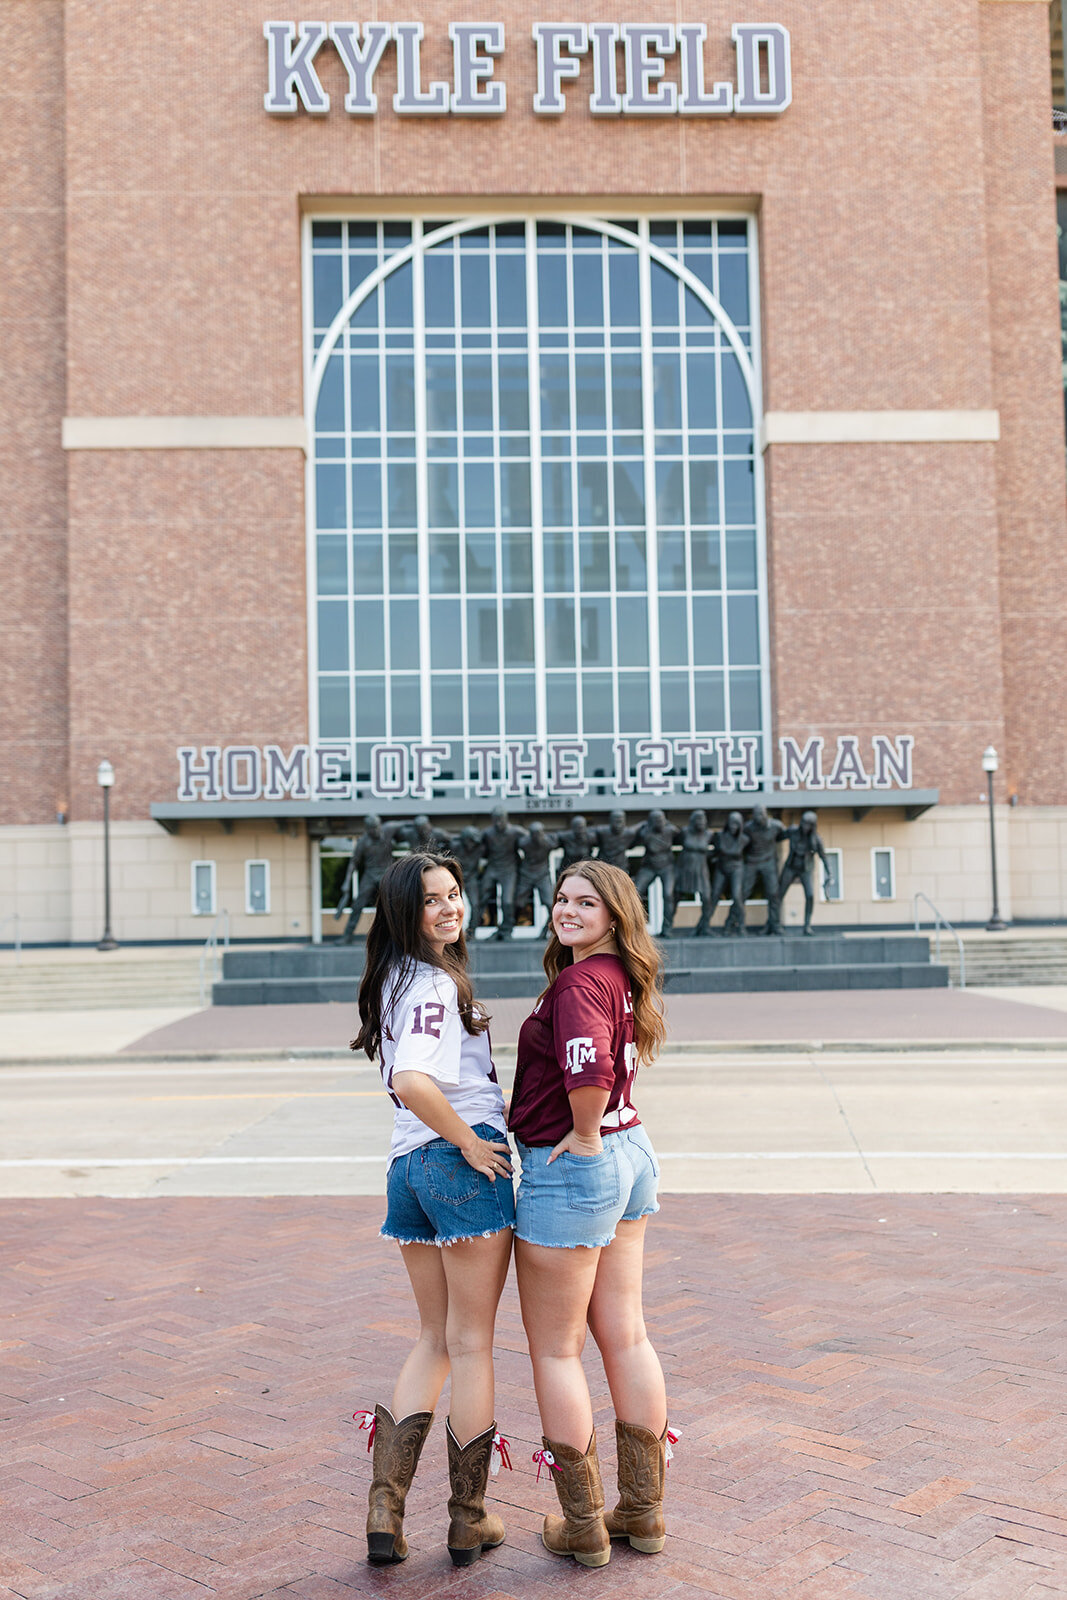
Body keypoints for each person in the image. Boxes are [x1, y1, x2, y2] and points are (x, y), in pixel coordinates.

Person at [350, 852, 515, 1568]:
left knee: (433, 1340)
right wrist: (472, 1146)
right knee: (472, 1343)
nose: (449, 908)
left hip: (405, 1171)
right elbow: (413, 1079)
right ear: (402, 912)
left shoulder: (392, 978)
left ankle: (384, 1508)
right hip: (454, 1158)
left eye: (454, 894)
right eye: (430, 901)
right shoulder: (430, 984)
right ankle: (467, 1518)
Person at [508, 859, 672, 1568]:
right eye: (560, 899)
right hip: (631, 1151)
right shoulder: (616, 977)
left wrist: (578, 1136)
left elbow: (590, 1070)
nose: (567, 910)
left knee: (555, 1350)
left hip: (580, 1161)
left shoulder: (578, 983)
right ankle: (641, 1513)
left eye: (584, 902)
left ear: (613, 914)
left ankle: (582, 1526)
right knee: (626, 1337)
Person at [778, 810, 832, 935]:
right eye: (803, 823)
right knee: (778, 894)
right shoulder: (793, 831)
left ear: (812, 826)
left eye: (807, 824)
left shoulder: (816, 840)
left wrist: (830, 874)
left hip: (806, 870)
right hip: (790, 867)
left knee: (810, 895)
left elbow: (824, 857)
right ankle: (774, 924)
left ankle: (807, 926)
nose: (804, 826)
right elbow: (777, 837)